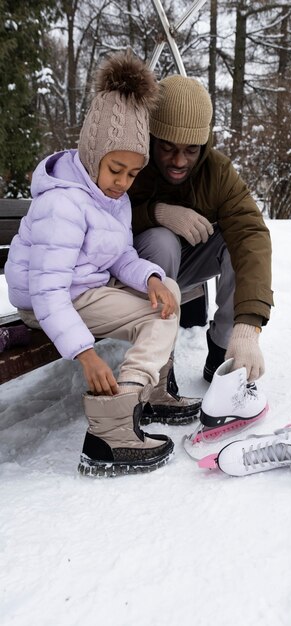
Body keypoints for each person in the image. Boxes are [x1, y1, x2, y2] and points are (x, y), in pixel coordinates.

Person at [5, 52, 200, 478]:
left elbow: (121, 255)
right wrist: (85, 353)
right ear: (93, 151)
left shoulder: (111, 199)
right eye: (116, 169)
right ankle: (110, 432)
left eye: (132, 174)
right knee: (158, 318)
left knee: (166, 291)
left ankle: (152, 394)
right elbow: (48, 291)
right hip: (49, 303)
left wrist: (148, 277)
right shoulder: (63, 204)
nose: (123, 183)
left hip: (81, 291)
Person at [129, 75, 274, 386]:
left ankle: (223, 350)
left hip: (186, 268)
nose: (179, 161)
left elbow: (251, 234)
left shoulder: (217, 171)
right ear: (153, 137)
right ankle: (157, 365)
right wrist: (156, 213)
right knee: (161, 239)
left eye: (191, 150)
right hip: (133, 276)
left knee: (235, 240)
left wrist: (247, 325)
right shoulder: (131, 161)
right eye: (167, 148)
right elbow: (100, 220)